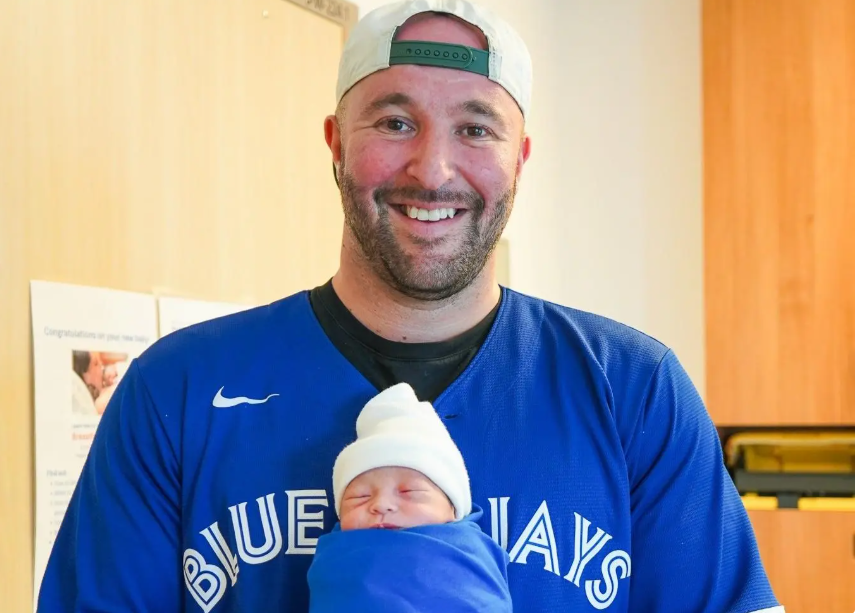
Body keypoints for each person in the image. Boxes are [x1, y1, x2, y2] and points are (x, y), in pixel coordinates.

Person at [37, 0, 783, 611]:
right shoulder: (177, 390)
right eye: (394, 122)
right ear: (334, 143)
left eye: (475, 128)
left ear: (519, 157)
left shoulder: (633, 391)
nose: (432, 168)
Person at [306, 382, 512, 612]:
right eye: (359, 497)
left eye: (409, 492)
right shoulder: (334, 562)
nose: (381, 505)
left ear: (453, 509)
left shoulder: (470, 558)